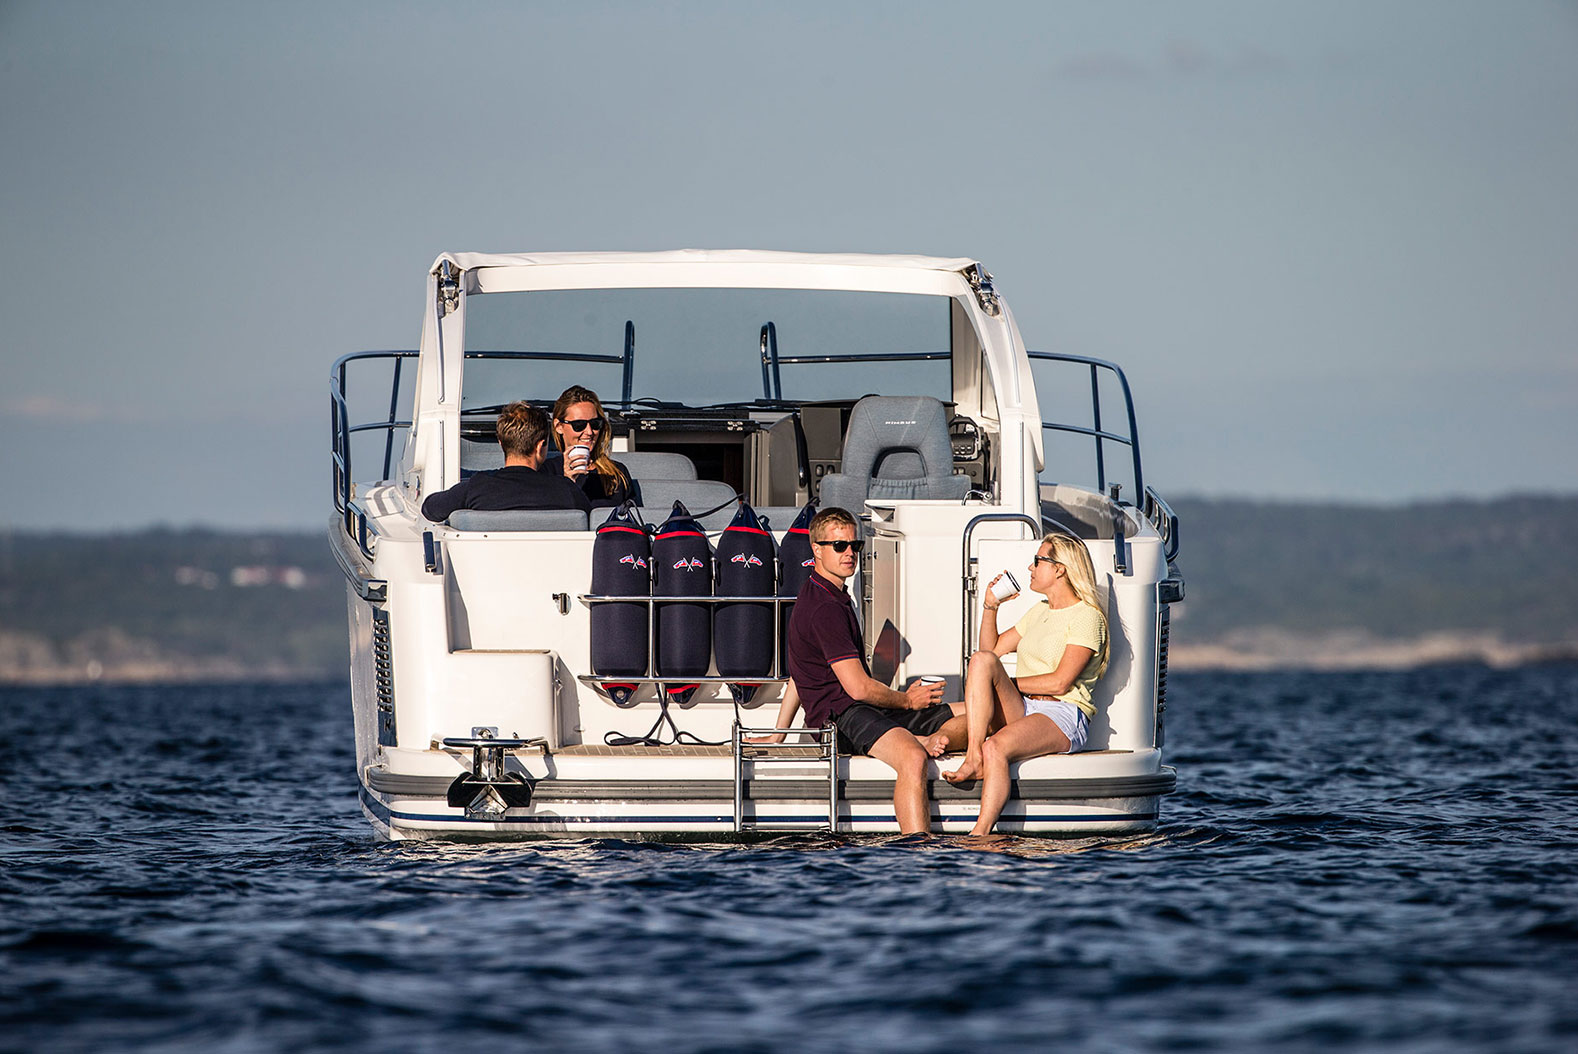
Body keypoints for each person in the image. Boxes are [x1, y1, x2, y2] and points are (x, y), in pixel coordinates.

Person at [784, 506, 964, 834]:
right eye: (839, 546)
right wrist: (908, 701)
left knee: (972, 712)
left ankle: (922, 738)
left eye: (855, 545)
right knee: (912, 758)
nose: (849, 553)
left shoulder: (829, 595)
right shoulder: (824, 608)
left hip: (862, 709)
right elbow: (858, 688)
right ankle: (917, 847)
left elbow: (801, 672)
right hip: (842, 718)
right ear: (816, 549)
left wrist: (779, 732)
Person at [933, 532, 1108, 836]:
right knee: (981, 661)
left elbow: (1060, 682)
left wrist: (1007, 684)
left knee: (995, 746)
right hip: (1026, 706)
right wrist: (990, 606)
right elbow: (990, 653)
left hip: (1063, 713)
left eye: (1037, 561)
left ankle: (980, 833)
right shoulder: (1040, 610)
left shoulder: (1087, 617)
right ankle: (973, 757)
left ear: (1059, 569)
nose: (1030, 567)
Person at [420, 402, 591, 522]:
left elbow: (430, 509)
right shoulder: (567, 491)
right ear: (540, 446)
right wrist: (569, 482)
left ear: (502, 443)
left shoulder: (476, 487)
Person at [542, 385, 638, 509]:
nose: (589, 432)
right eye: (579, 424)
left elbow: (633, 516)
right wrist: (567, 482)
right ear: (559, 426)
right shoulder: (546, 472)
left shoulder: (616, 473)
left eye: (594, 423)